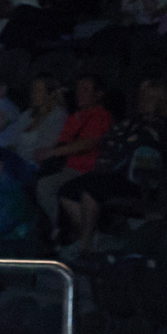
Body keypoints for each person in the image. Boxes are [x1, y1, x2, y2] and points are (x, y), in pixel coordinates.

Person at [53, 80, 167, 255]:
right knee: (66, 191)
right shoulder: (130, 123)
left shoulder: (162, 126)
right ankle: (95, 238)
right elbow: (109, 141)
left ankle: (85, 248)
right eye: (143, 96)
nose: (145, 100)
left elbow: (146, 155)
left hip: (138, 181)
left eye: (151, 97)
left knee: (91, 191)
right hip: (111, 173)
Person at [31, 75, 114, 229]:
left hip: (86, 170)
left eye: (86, 90)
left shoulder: (100, 115)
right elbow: (63, 141)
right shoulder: (75, 116)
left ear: (98, 94)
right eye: (79, 89)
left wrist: (54, 152)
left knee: (46, 186)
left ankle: (66, 231)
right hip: (67, 167)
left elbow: (89, 142)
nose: (80, 93)